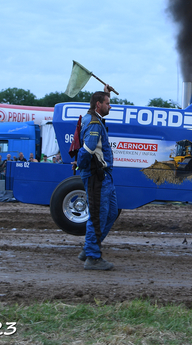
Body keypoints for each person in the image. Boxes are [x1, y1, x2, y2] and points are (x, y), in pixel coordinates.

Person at [76, 87, 118, 271]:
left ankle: (89, 247)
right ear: (98, 105)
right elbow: (87, 150)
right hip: (97, 176)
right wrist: (85, 167)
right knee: (98, 216)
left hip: (103, 176)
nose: (110, 106)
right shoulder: (94, 124)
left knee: (111, 212)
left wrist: (104, 91)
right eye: (108, 103)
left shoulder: (94, 118)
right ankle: (93, 257)